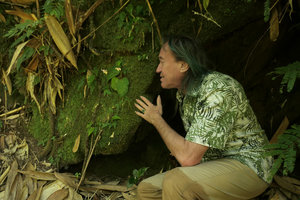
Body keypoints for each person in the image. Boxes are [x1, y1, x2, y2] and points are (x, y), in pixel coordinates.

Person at [134, 35, 273, 200]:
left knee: (176, 182)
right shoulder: (185, 93)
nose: (158, 69)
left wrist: (157, 120)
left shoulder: (218, 90)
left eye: (162, 61)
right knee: (146, 190)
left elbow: (188, 157)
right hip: (212, 165)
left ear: (183, 65)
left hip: (250, 167)